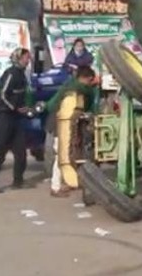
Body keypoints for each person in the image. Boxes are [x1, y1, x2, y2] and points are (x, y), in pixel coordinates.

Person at [0, 48, 32, 194]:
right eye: (25, 58)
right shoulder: (11, 73)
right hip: (6, 116)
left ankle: (18, 181)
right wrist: (15, 108)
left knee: (20, 151)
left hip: (17, 117)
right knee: (0, 151)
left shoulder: (23, 74)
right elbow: (2, 94)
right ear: (18, 58)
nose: (28, 61)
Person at [45, 66, 97, 197]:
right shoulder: (76, 88)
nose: (91, 84)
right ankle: (55, 187)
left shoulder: (70, 85)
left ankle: (67, 181)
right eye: (90, 81)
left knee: (71, 153)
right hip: (60, 124)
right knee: (61, 155)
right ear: (85, 79)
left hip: (62, 122)